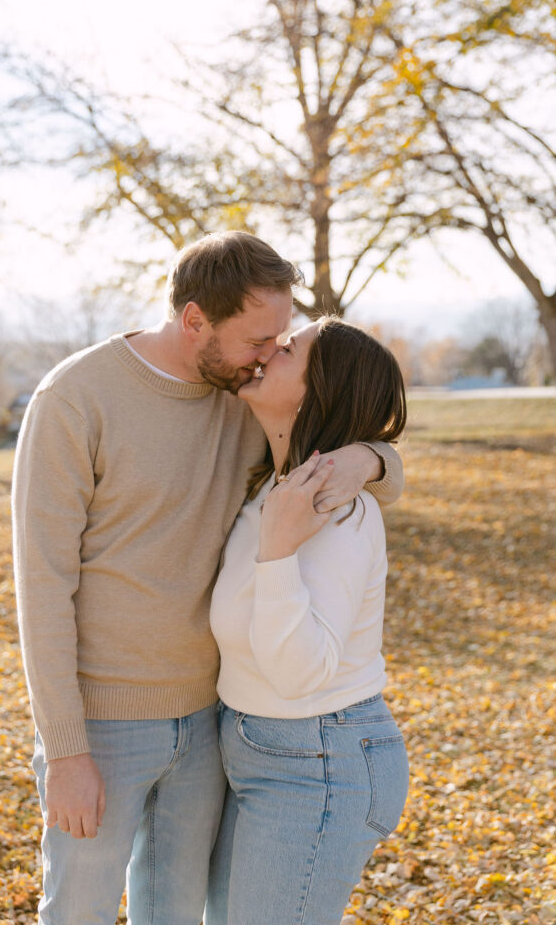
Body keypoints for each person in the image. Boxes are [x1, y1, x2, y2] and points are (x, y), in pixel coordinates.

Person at [12, 232, 404, 925]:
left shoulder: (241, 394)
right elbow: (41, 589)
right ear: (195, 321)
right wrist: (66, 751)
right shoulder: (75, 398)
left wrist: (371, 460)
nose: (267, 356)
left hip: (208, 723)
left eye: (280, 342)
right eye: (259, 339)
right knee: (77, 910)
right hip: (103, 724)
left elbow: (333, 417)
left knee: (176, 913)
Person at [207, 316, 410, 925]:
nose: (268, 350)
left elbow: (301, 673)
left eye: (288, 348)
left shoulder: (335, 513)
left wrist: (279, 551)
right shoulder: (269, 486)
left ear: (317, 389)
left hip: (322, 762)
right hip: (255, 751)